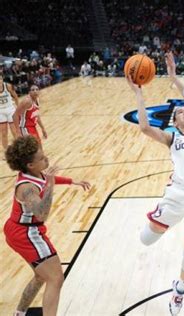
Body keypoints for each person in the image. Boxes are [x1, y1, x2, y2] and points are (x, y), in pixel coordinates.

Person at [129, 52, 184, 316]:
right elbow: (144, 128)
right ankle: (161, 220)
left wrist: (175, 78)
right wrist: (139, 94)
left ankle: (179, 290)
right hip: (178, 195)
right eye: (182, 113)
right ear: (175, 122)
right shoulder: (171, 138)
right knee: (146, 240)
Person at [4, 136, 91, 316]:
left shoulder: (35, 174)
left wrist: (71, 181)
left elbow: (46, 178)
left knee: (41, 276)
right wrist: (50, 184)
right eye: (42, 158)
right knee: (56, 278)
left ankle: (19, 313)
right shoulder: (27, 187)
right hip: (26, 234)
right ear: (30, 165)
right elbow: (42, 213)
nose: (47, 159)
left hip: (21, 230)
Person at [0, 73, 19, 151]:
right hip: (0, 111)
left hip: (10, 109)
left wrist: (18, 108)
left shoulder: (8, 86)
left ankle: (18, 149)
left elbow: (15, 96)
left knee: (14, 131)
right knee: (4, 133)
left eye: (0, 79)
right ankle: (6, 151)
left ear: (2, 79)